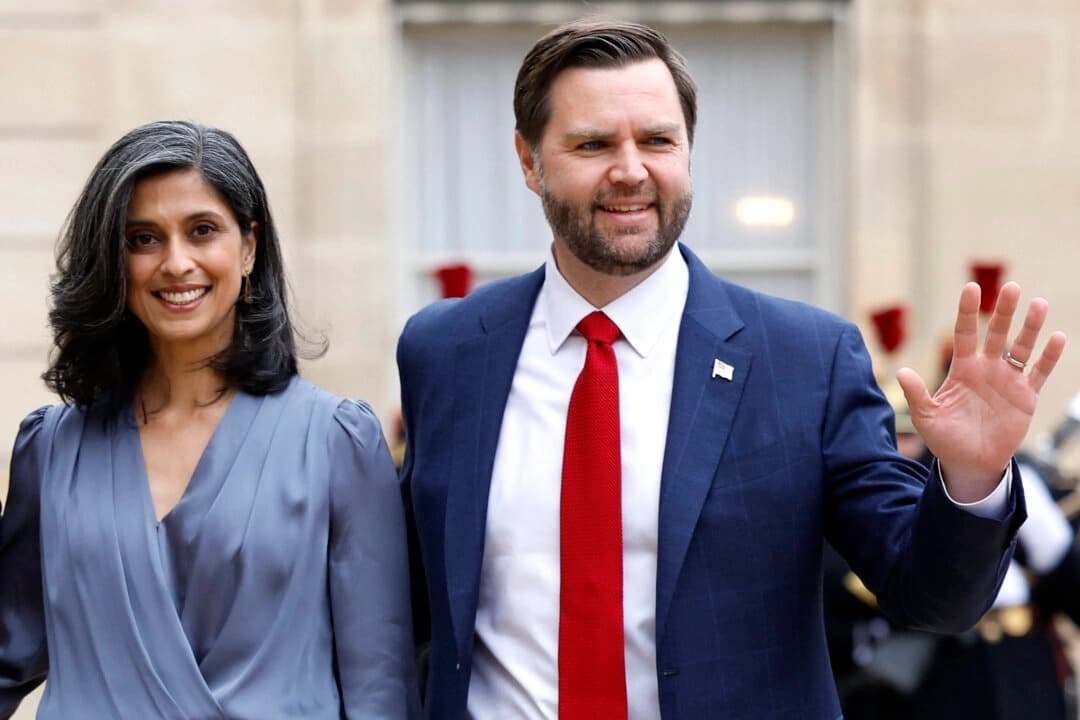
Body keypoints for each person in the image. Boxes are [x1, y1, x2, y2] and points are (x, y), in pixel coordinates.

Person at [396, 17, 1068, 720]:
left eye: (657, 140)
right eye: (593, 143)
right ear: (529, 160)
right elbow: (403, 598)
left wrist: (970, 480)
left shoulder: (804, 360)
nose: (631, 169)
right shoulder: (446, 352)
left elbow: (932, 598)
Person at [0, 120, 420, 719]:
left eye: (202, 231)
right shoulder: (51, 449)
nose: (176, 263)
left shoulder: (335, 443)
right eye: (143, 239)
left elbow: (380, 691)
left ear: (248, 247)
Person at [826, 381, 1080, 720]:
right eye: (888, 435)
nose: (898, 447)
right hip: (932, 682)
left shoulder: (980, 490)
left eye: (908, 435)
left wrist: (1057, 554)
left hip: (1027, 674)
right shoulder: (859, 506)